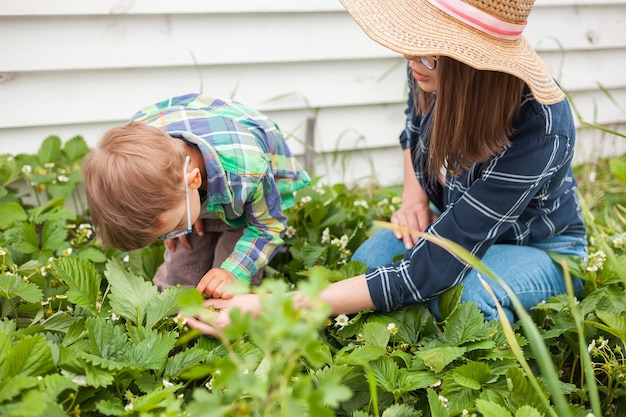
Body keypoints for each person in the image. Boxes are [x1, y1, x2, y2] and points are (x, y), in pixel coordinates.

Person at [187, 0, 588, 335]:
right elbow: (412, 131)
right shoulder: (429, 66)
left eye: (430, 51)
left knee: (461, 301)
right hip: (455, 226)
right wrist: (413, 196)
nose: (412, 59)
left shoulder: (542, 130)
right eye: (413, 43)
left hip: (539, 248)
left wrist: (274, 309)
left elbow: (431, 270)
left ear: (473, 68)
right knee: (368, 260)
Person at [82, 93, 311, 298]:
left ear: (194, 181)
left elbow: (268, 227)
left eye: (177, 225)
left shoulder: (248, 172)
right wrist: (171, 223)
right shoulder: (145, 157)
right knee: (179, 276)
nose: (171, 235)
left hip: (245, 185)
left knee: (226, 288)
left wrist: (232, 270)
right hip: (196, 179)